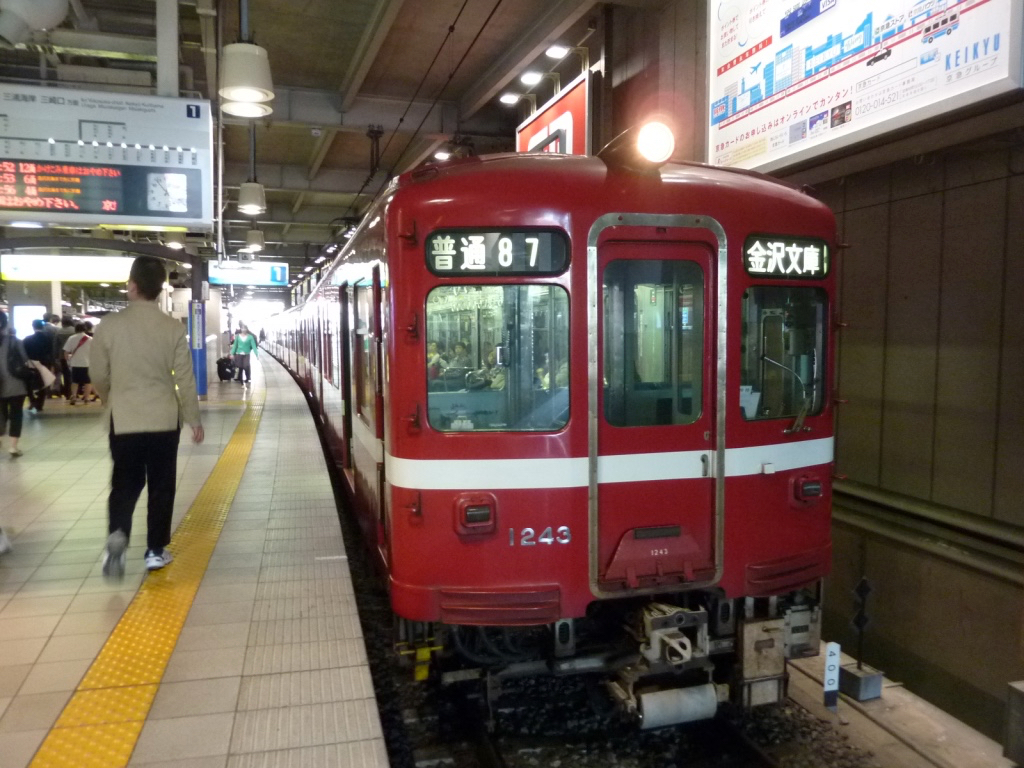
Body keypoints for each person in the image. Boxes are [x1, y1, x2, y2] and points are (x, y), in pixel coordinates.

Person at [90, 256, 204, 577]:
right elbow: (184, 377)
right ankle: (155, 550)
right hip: (164, 420)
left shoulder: (109, 325)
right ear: (159, 290)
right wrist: (194, 420)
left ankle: (118, 534)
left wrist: (110, 397)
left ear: (133, 286)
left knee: (124, 482)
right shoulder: (172, 328)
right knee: (161, 484)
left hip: (123, 419)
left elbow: (98, 373)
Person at [0, 310, 28, 458]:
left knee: (1, 413)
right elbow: (25, 360)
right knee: (16, 414)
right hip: (16, 384)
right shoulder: (14, 341)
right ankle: (13, 447)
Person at [23, 319, 56, 412]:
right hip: (44, 363)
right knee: (43, 384)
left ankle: (32, 400)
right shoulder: (48, 338)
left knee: (29, 383)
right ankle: (39, 404)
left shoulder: (27, 339)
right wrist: (52, 364)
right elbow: (51, 352)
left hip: (30, 364)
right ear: (43, 327)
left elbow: (24, 353)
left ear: (33, 327)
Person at [64, 321, 96, 404]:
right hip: (87, 364)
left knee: (75, 382)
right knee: (88, 382)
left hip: (75, 363)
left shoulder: (71, 338)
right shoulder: (90, 339)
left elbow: (66, 352)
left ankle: (74, 396)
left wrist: (68, 361)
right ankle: (86, 398)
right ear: (85, 329)